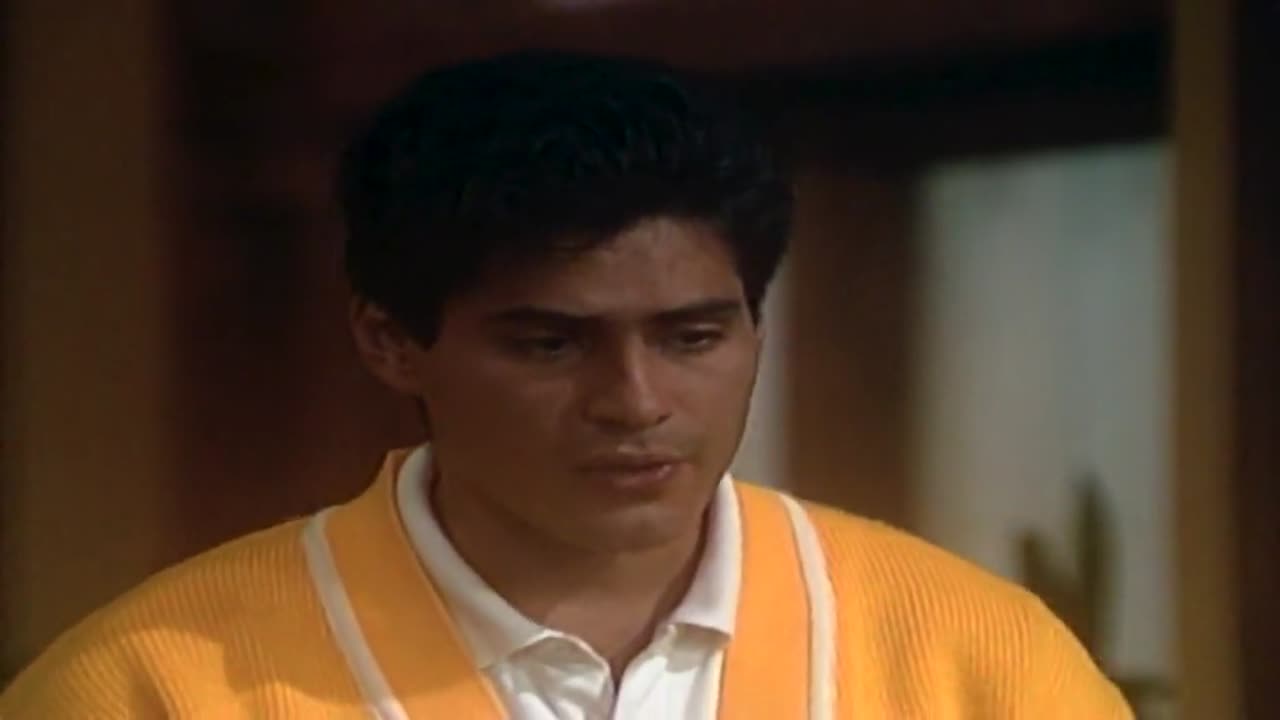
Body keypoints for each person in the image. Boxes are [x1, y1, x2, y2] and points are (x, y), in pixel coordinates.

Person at [0, 51, 1132, 719]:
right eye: (549, 345)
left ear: (755, 324)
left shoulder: (974, 661)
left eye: (692, 337)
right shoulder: (154, 687)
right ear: (390, 341)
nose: (634, 401)